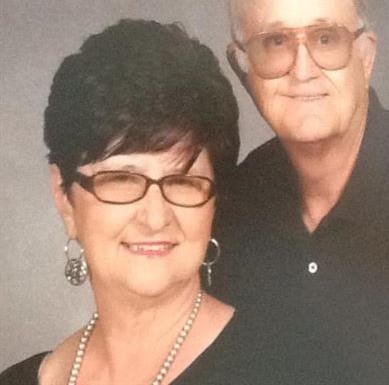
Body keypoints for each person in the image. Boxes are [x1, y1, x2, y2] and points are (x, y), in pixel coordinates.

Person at [213, 0, 389, 383]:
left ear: (365, 56)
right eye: (275, 41)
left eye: (325, 38)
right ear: (243, 65)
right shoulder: (231, 207)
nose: (303, 69)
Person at [0, 19, 271, 384]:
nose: (155, 218)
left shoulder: (285, 367)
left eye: (183, 182)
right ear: (64, 198)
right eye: (121, 180)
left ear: (214, 201)